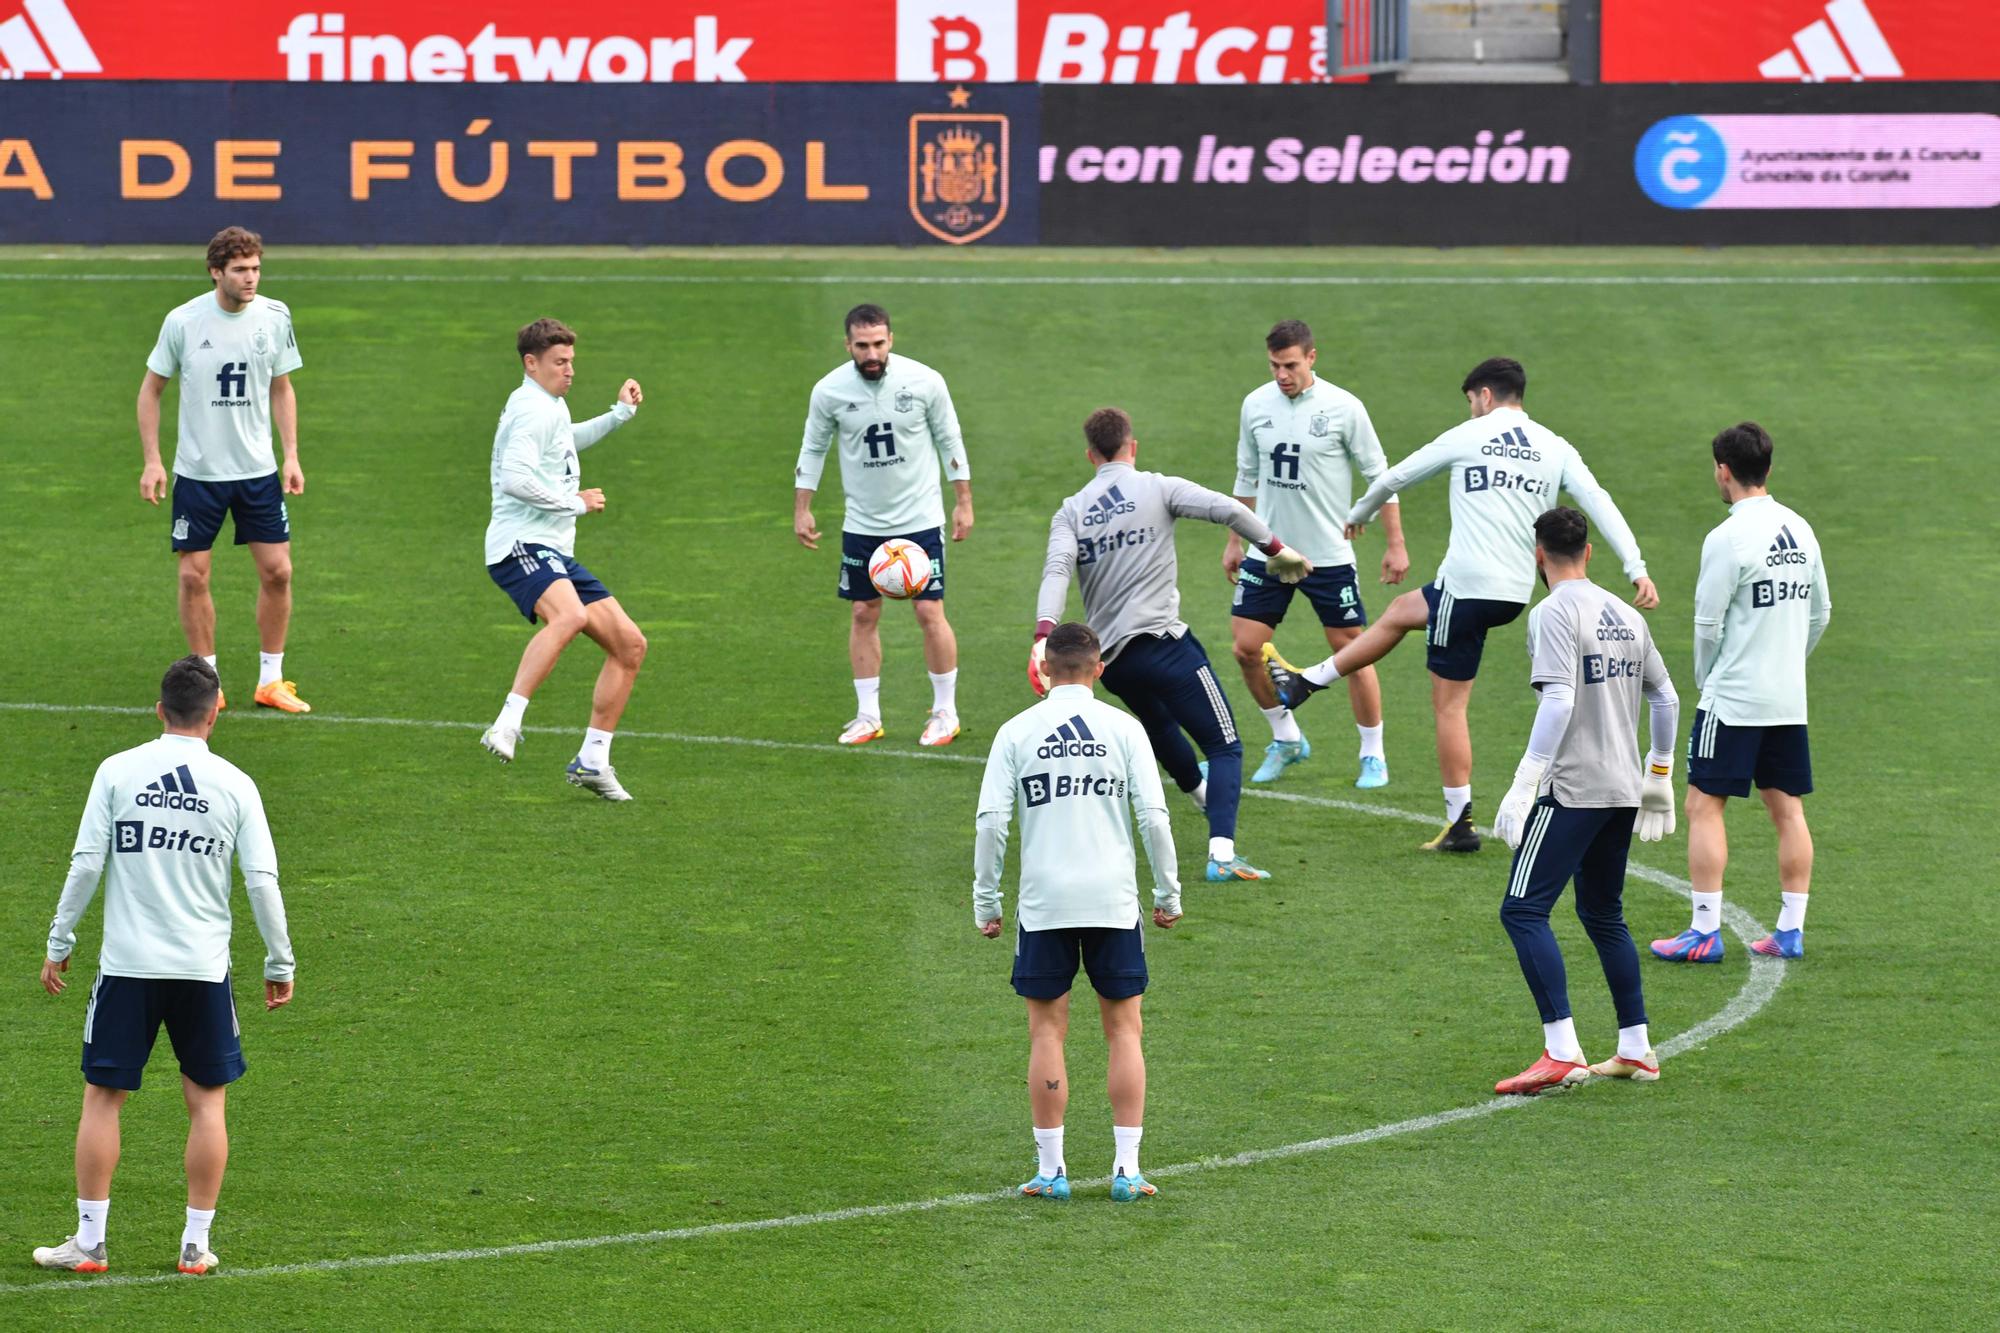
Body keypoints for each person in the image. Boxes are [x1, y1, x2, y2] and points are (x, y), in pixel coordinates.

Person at [1265, 357, 1658, 853]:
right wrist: (1636, 567)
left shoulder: (1468, 435)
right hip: (1514, 593)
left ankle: (1460, 824)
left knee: (1449, 706)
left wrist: (1358, 513)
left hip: (1467, 587)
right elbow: (1598, 501)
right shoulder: (1554, 446)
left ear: (1485, 396)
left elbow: (1395, 477)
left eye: (1471, 401)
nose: (1471, 409)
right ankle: (1307, 681)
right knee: (1404, 610)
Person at [33, 656, 296, 1276]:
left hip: (127, 966)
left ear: (159, 711)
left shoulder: (117, 771)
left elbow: (87, 862)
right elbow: (261, 880)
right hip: (204, 970)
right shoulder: (235, 783)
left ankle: (90, 1242)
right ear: (214, 715)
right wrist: (279, 958)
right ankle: (195, 1245)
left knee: (103, 1097)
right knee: (207, 1103)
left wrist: (59, 938)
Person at [1033, 407, 1312, 882]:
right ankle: (1222, 854)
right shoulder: (1158, 487)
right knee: (1225, 746)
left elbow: (1057, 570)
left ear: (1091, 455)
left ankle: (1205, 799)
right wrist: (1275, 548)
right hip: (1166, 645)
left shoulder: (1072, 510)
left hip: (1113, 661)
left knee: (1160, 726)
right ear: (1131, 446)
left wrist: (1043, 637)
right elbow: (1227, 508)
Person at [974, 621, 1182, 1203]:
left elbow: (992, 823)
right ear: (1099, 668)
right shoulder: (1124, 729)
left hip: (1045, 903)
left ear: (1043, 669)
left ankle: (1051, 1172)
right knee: (1124, 1030)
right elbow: (1154, 818)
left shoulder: (1015, 731)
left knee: (1046, 1030)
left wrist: (985, 902)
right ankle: (1127, 1170)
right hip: (1113, 899)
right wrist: (1169, 894)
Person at [1489, 508, 1679, 1094]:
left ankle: (1562, 1050)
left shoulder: (1552, 613)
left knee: (1522, 911)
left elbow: (1560, 702)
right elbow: (1666, 697)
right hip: (1624, 788)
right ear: (1589, 552)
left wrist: (1525, 783)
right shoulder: (1626, 612)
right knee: (1602, 913)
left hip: (1572, 788)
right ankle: (1635, 1048)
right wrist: (1659, 776)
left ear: (1538, 554)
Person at [1652, 422, 1830, 963]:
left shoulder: (1726, 537)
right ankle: (1791, 930)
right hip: (1787, 699)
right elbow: (1821, 613)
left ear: (1723, 471)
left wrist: (1708, 678)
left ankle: (1704, 932)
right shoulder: (1801, 528)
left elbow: (1708, 624)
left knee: (1704, 804)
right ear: (1768, 469)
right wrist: (1787, 662)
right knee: (1788, 810)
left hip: (1733, 698)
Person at [1223, 320, 1408, 789]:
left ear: (1311, 358)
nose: (1281, 374)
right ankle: (1286, 739)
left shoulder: (1344, 408)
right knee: (1245, 649)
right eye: (1273, 365)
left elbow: (1380, 476)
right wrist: (1234, 540)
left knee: (1353, 652)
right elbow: (1246, 476)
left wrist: (1395, 543)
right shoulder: (1255, 404)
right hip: (1268, 549)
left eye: (1289, 365)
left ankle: (1372, 754)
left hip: (1328, 554)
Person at [137, 226, 310, 714]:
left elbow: (282, 387)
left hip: (257, 471)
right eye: (240, 270)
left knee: (279, 572)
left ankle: (271, 681)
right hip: (198, 474)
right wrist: (153, 460)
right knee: (194, 576)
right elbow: (151, 390)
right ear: (216, 272)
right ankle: (206, 683)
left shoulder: (275, 317)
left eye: (256, 268)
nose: (251, 278)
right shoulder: (184, 321)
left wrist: (291, 454)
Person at [479, 319, 648, 802]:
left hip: (552, 551)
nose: (570, 370)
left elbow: (564, 441)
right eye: (560, 362)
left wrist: (618, 414)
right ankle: (506, 723)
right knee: (570, 616)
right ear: (531, 364)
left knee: (630, 646)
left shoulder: (547, 405)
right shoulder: (532, 408)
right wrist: (575, 503)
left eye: (572, 362)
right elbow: (514, 478)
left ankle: (593, 759)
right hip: (519, 546)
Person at [794, 304, 974, 748]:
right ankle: (868, 716)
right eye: (862, 346)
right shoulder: (829, 391)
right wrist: (803, 507)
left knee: (929, 611)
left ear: (891, 339)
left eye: (878, 344)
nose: (871, 353)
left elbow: (950, 437)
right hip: (863, 522)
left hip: (920, 519)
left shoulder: (926, 381)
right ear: (848, 345)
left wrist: (963, 501)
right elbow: (813, 448)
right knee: (862, 612)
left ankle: (945, 712)